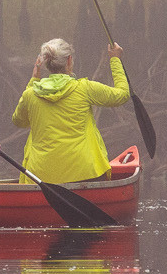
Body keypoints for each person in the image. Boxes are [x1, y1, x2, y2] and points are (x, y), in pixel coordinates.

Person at [12, 37, 130, 184]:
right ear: (69, 61)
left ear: (45, 64)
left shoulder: (30, 94)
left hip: (41, 177)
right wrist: (115, 60)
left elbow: (19, 121)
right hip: (85, 172)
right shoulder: (85, 89)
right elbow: (122, 95)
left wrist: (34, 80)